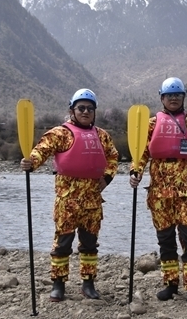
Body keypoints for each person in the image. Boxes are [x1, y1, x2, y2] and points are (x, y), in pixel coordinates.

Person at [20, 89, 119, 302]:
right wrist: (31, 162)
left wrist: (108, 177)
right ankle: (58, 284)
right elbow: (42, 150)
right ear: (72, 110)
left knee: (90, 244)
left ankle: (88, 283)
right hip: (67, 200)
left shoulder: (102, 136)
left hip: (92, 200)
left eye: (90, 109)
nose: (85, 112)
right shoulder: (60, 134)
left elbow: (113, 157)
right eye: (81, 108)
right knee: (63, 243)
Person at [129, 77, 187, 309]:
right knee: (166, 241)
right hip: (159, 194)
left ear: (183, 97)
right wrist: (135, 171)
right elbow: (141, 153)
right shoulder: (151, 124)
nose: (174, 98)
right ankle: (170, 284)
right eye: (169, 95)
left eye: (178, 94)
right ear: (162, 98)